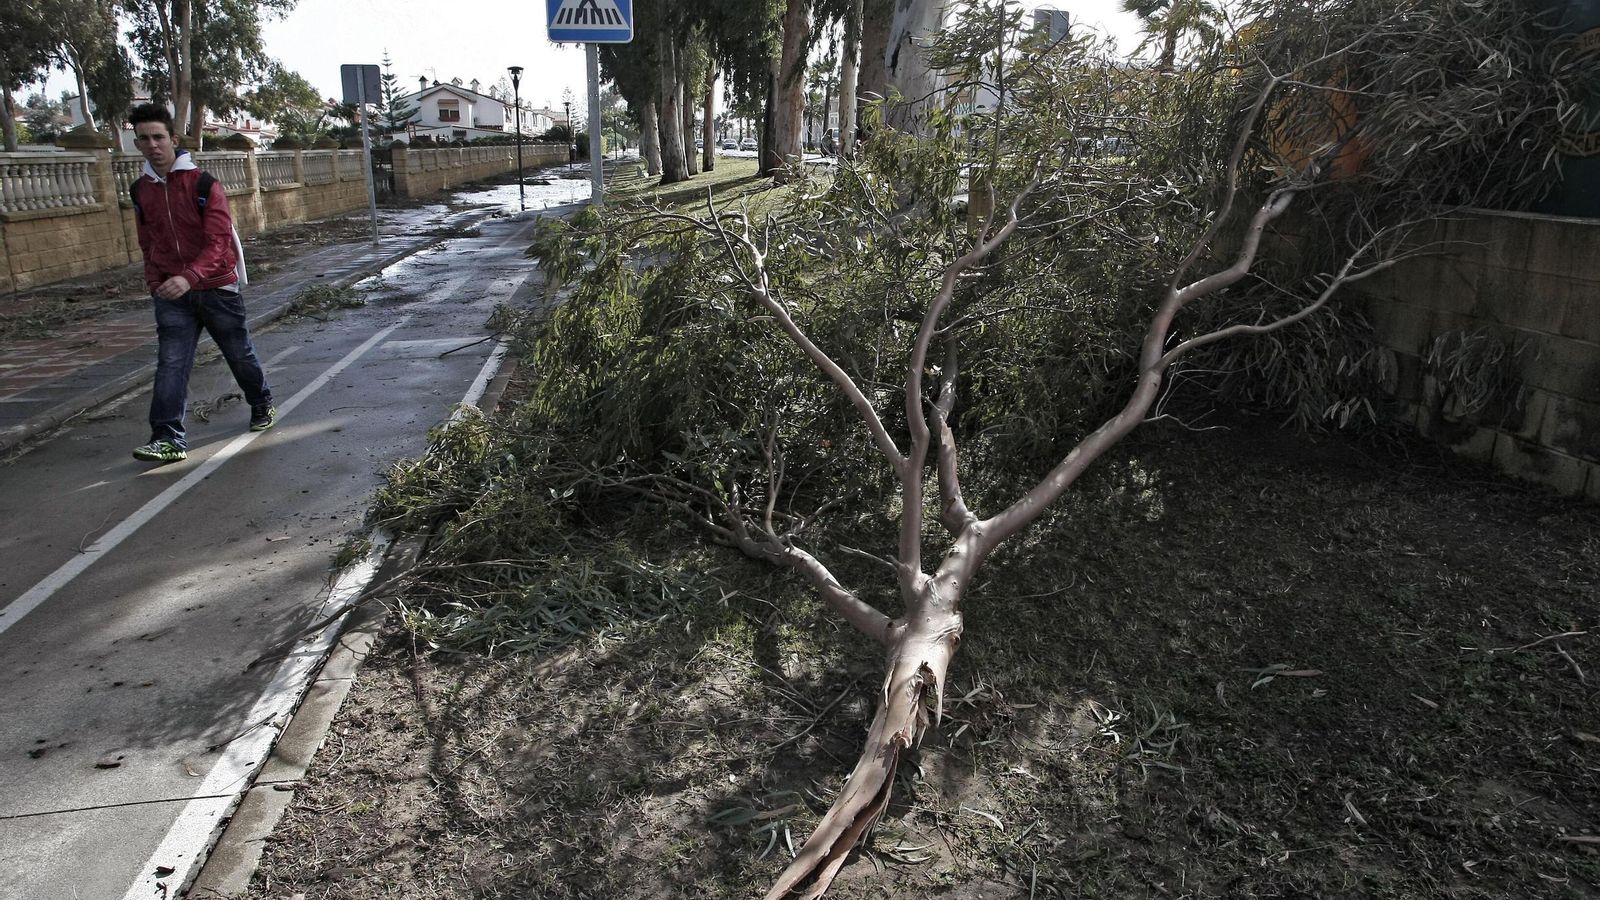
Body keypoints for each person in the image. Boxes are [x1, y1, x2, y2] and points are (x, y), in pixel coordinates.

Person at [127, 102, 275, 463]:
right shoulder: (141, 189)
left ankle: (261, 403)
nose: (153, 145)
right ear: (138, 144)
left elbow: (219, 240)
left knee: (238, 353)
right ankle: (167, 438)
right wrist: (154, 280)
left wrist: (189, 277)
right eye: (144, 139)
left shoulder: (203, 183)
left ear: (173, 139)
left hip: (216, 288)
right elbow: (147, 240)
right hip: (171, 293)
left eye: (158, 137)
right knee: (171, 363)